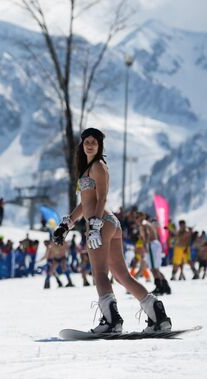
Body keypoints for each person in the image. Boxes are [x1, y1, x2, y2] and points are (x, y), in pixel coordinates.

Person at [52, 128, 171, 333]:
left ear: (99, 147)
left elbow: (102, 198)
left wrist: (95, 225)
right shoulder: (87, 167)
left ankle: (111, 321)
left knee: (99, 273)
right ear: (82, 144)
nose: (90, 145)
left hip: (102, 222)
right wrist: (66, 224)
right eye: (87, 141)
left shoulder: (98, 166)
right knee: (122, 276)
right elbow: (85, 202)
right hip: (108, 224)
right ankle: (158, 314)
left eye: (94, 142)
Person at [136, 212, 171, 295]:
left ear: (142, 216)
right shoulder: (147, 223)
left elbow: (147, 234)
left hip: (151, 245)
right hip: (154, 244)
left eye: (138, 216)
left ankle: (159, 287)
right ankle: (165, 286)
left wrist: (145, 245)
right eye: (136, 217)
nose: (136, 219)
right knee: (156, 268)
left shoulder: (143, 224)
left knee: (153, 268)